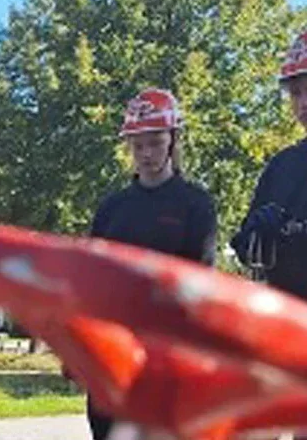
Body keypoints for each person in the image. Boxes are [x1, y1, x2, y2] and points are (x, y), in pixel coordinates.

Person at [84, 87, 217, 440]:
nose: (146, 153)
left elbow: (199, 282)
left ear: (173, 140)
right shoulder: (113, 209)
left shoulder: (195, 204)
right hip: (113, 352)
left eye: (155, 142)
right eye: (137, 145)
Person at [232, 31, 307, 292]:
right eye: (296, 93)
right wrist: (257, 232)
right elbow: (244, 248)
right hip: (288, 319)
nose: (304, 102)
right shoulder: (282, 167)